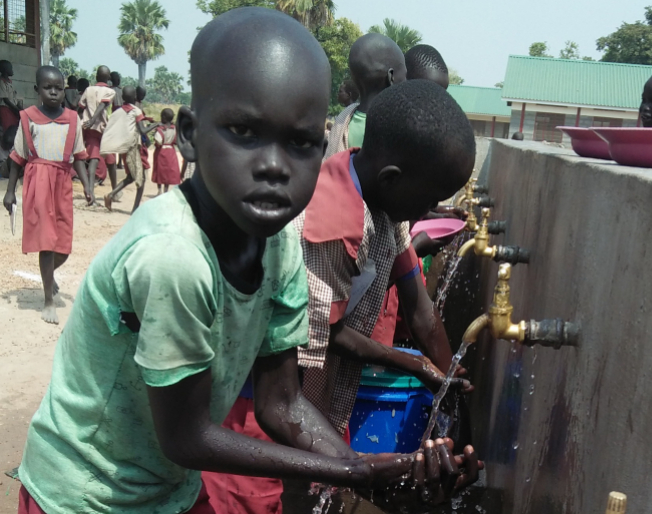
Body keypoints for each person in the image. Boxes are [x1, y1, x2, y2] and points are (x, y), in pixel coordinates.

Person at [14, 8, 479, 514]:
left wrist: (374, 474)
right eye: (243, 132)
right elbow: (185, 436)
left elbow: (281, 405)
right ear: (190, 134)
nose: (274, 167)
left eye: (300, 143)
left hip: (166, 487)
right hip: (86, 492)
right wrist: (357, 470)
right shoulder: (175, 256)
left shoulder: (277, 243)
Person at [297, 78, 476, 444]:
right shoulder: (334, 220)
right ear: (392, 179)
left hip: (316, 397)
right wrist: (413, 363)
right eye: (429, 201)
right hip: (269, 402)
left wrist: (451, 384)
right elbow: (323, 333)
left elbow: (421, 312)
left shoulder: (385, 207)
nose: (429, 211)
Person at [2, 66, 92, 324]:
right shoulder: (28, 118)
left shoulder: (73, 119)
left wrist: (87, 186)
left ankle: (49, 276)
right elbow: (17, 158)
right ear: (37, 90)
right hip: (38, 181)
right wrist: (10, 192)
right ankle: (48, 301)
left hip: (62, 182)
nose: (53, 92)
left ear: (65, 90)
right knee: (46, 242)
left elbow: (78, 157)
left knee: (63, 244)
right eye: (47, 87)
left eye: (58, 88)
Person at [325, 33, 406, 158]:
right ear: (391, 77)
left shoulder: (343, 121)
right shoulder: (401, 125)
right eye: (405, 76)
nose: (406, 82)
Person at [102, 86, 159, 213]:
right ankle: (135, 209)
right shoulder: (136, 111)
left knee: (131, 177)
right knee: (140, 179)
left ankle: (111, 195)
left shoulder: (117, 112)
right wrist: (156, 125)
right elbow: (142, 130)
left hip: (124, 148)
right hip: (135, 148)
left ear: (122, 97)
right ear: (135, 97)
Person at [79, 65, 117, 197]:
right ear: (108, 78)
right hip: (104, 128)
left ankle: (90, 191)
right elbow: (103, 105)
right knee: (111, 160)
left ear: (96, 76)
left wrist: (86, 121)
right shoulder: (110, 92)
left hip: (90, 128)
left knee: (93, 158)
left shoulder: (88, 90)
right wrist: (95, 118)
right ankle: (115, 190)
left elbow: (81, 106)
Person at [152, 107, 181, 195]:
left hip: (161, 151)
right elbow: (176, 141)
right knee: (168, 171)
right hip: (171, 151)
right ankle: (166, 190)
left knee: (160, 171)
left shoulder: (160, 129)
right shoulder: (174, 128)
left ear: (163, 117)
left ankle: (159, 189)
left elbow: (158, 141)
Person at [0, 60, 22, 131]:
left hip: (12, 109)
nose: (12, 70)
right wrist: (17, 110)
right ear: (5, 70)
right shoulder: (2, 82)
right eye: (10, 68)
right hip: (5, 109)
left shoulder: (10, 82)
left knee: (16, 127)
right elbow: (5, 100)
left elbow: (15, 98)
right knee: (8, 128)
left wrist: (21, 109)